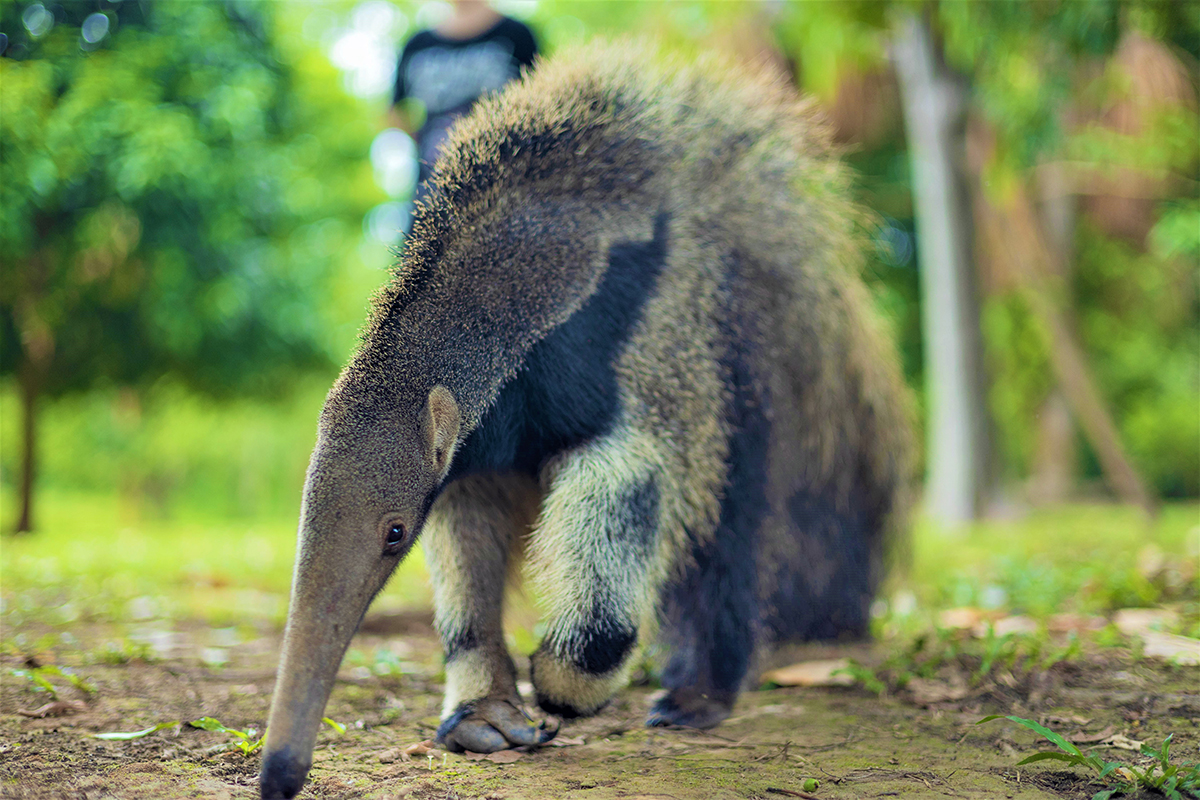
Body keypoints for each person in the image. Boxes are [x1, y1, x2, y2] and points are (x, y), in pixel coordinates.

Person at [390, 0, 538, 206]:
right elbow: (394, 110)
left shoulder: (516, 35)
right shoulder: (418, 45)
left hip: (505, 187)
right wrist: (428, 141)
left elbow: (538, 103)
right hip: (434, 192)